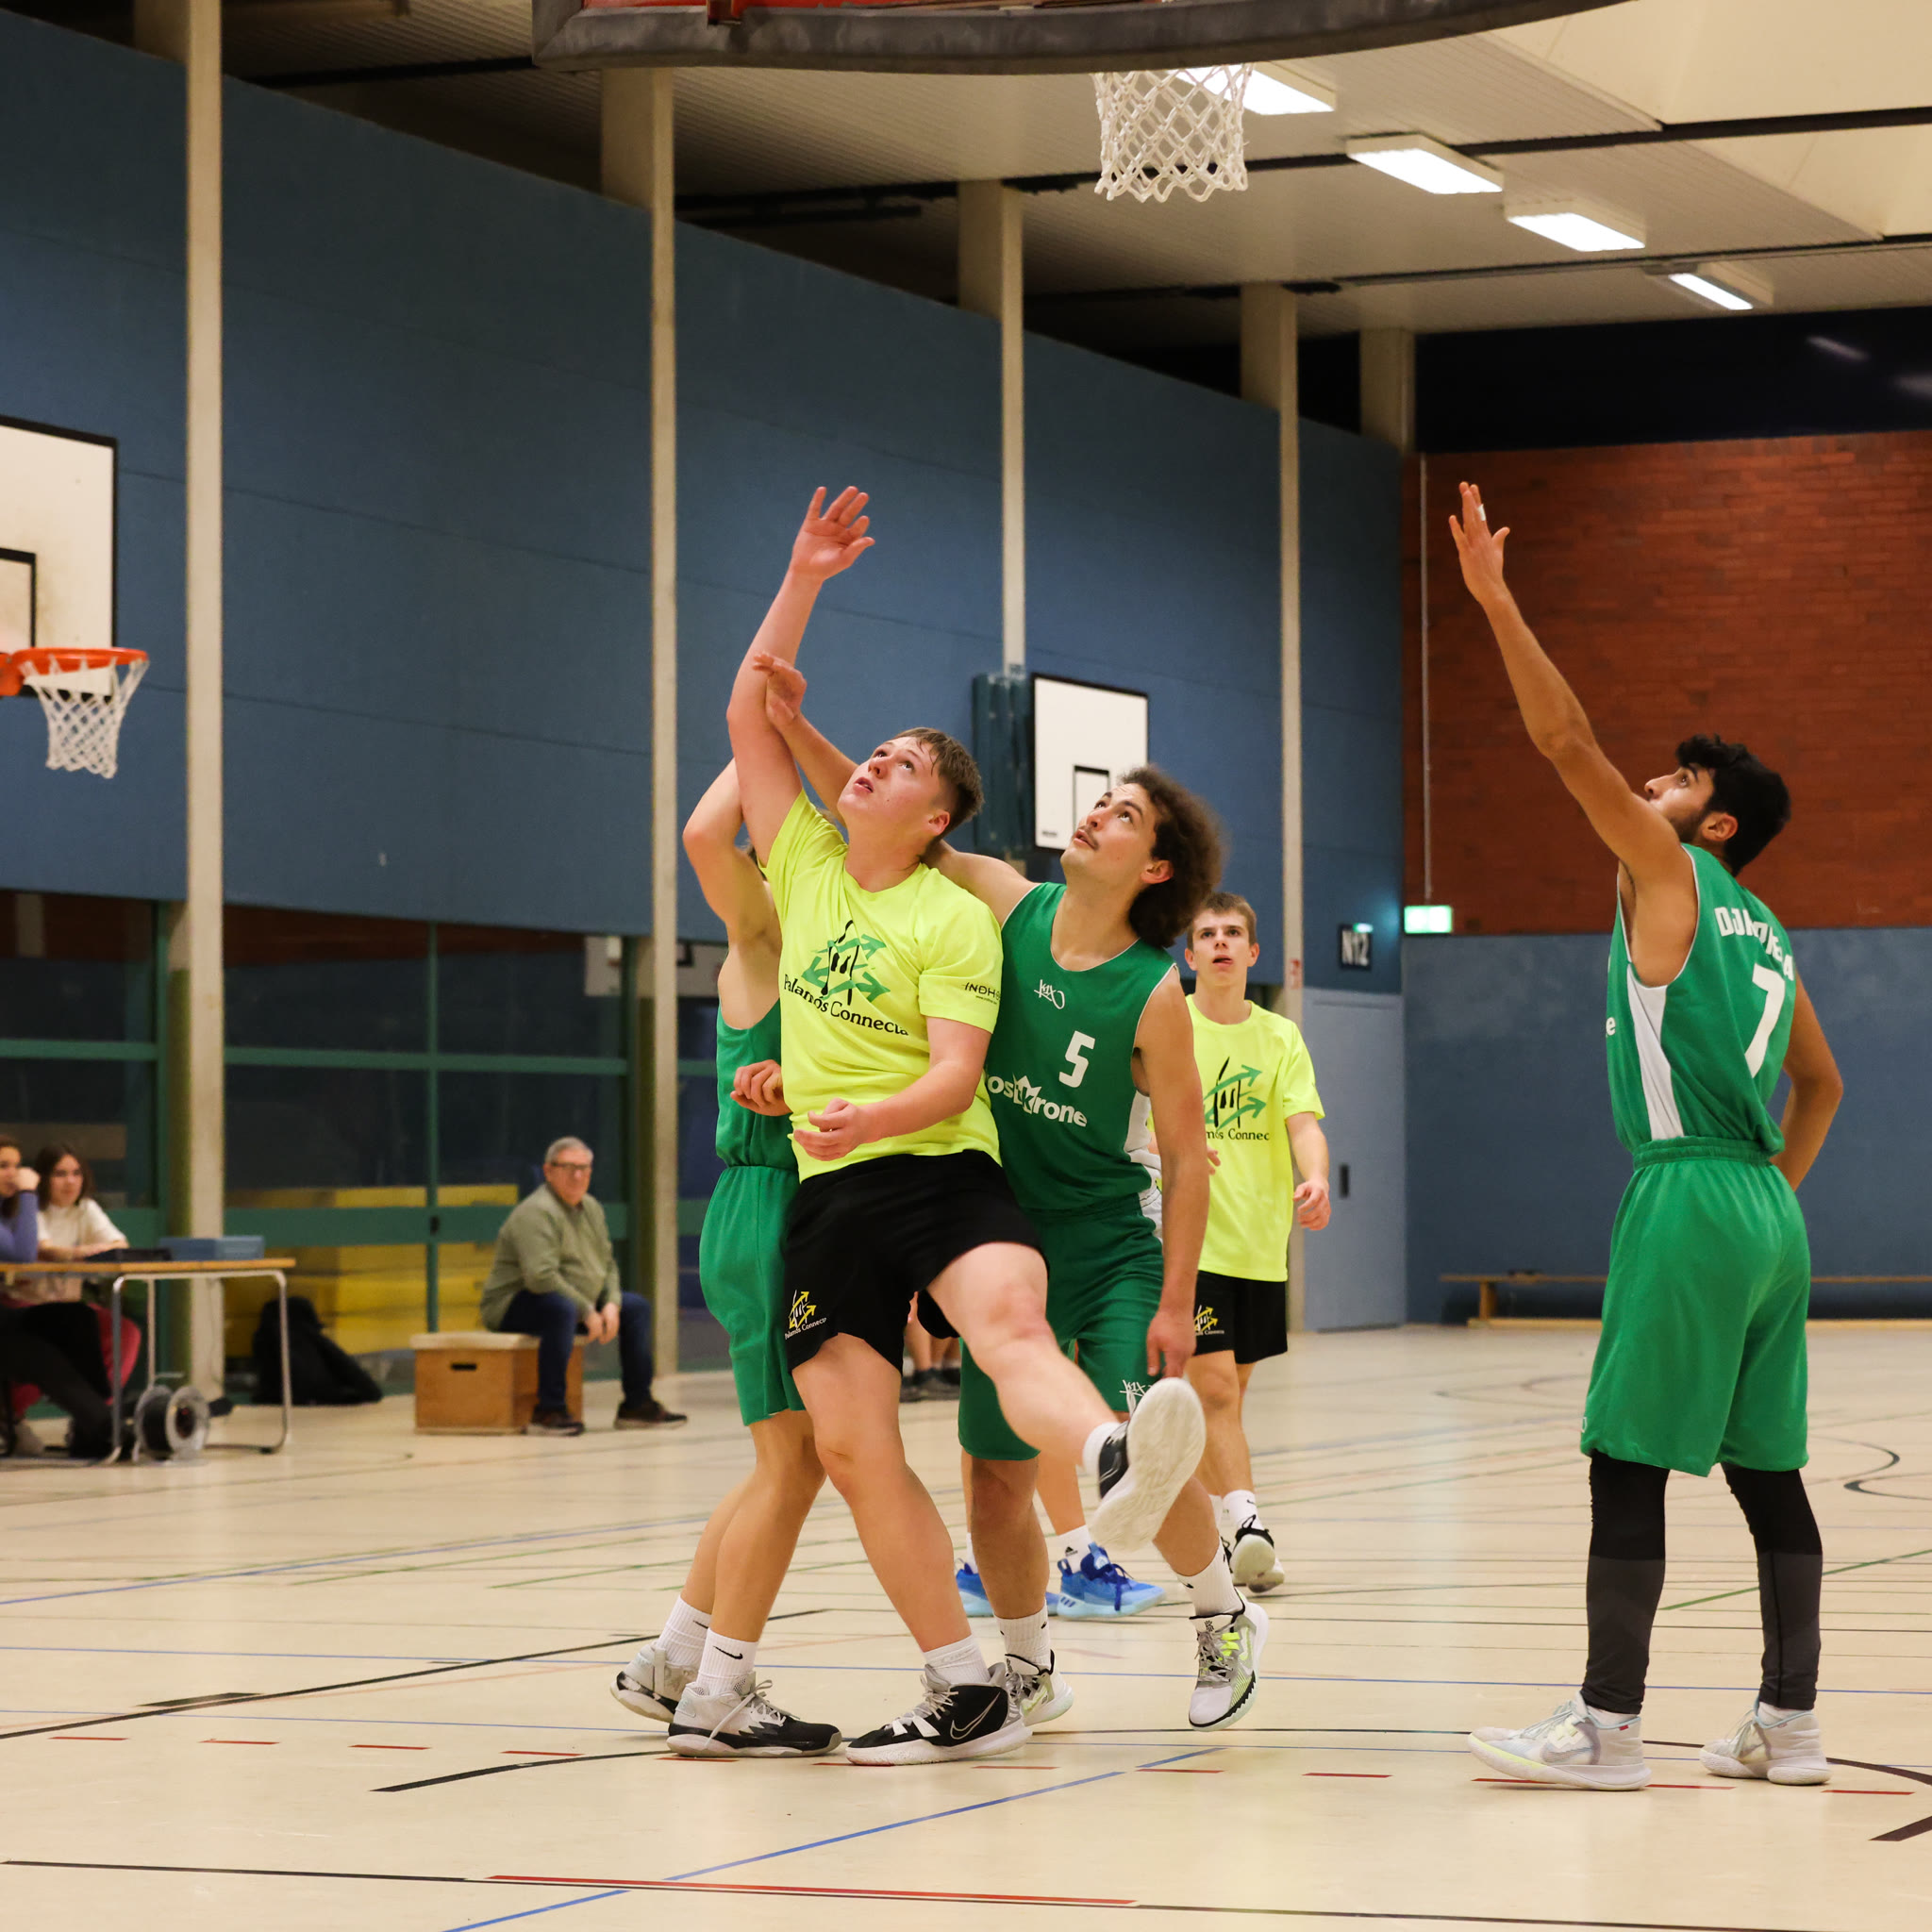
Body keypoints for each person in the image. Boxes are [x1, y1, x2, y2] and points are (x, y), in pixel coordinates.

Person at [724, 486, 1207, 1766]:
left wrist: (860, 1112)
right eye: (873, 753)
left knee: (1009, 1333)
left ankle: (1108, 1453)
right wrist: (803, 575)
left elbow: (953, 1078)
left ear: (938, 818)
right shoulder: (804, 863)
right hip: (830, 1196)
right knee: (850, 1447)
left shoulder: (959, 916)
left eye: (901, 764)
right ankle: (962, 1678)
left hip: (938, 1170)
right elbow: (750, 712)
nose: (873, 764)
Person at [1450, 480, 1843, 1792]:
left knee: (1625, 1458)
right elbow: (1823, 1084)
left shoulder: (1666, 872)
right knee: (1767, 1471)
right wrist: (1769, 1201)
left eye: (1678, 781)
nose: (1649, 785)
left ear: (1711, 823)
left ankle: (1606, 1728)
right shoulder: (1770, 932)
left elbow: (1564, 742)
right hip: (1767, 1214)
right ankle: (1790, 1725)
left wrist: (1496, 600)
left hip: (1688, 1195)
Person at [611, 764, 836, 1757]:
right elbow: (706, 835)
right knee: (794, 1463)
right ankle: (717, 1689)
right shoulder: (766, 935)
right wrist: (764, 735)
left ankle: (673, 1658)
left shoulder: (824, 954)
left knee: (784, 1462)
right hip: (768, 1206)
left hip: (781, 1210)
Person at [1181, 891, 1331, 1592]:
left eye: (1232, 932)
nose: (1220, 942)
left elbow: (1303, 1122)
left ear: (1253, 952)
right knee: (1213, 1389)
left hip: (1258, 1243)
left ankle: (1221, 1539)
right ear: (1190, 954)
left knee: (1227, 1400)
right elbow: (1135, 1117)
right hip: (1189, 1240)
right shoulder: (1168, 1024)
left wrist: (1316, 1178)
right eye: (1207, 933)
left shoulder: (1280, 1036)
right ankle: (1249, 1526)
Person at [478, 1138, 685, 1436]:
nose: (578, 1176)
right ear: (548, 1171)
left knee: (636, 1307)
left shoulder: (591, 1208)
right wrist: (587, 1310)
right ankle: (549, 1409)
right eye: (568, 1168)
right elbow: (540, 1278)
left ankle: (637, 1404)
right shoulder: (536, 1212)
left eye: (584, 1168)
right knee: (560, 1310)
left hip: (572, 1299)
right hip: (514, 1304)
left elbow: (608, 1264)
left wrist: (611, 1303)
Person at [0, 1137, 113, 1458]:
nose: (14, 1174)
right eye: (3, 1166)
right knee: (39, 1355)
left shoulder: (7, 1211)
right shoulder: (20, 1204)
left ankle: (94, 1428)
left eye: (16, 1165)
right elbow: (24, 1253)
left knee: (77, 1317)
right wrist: (27, 1194)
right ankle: (107, 1429)